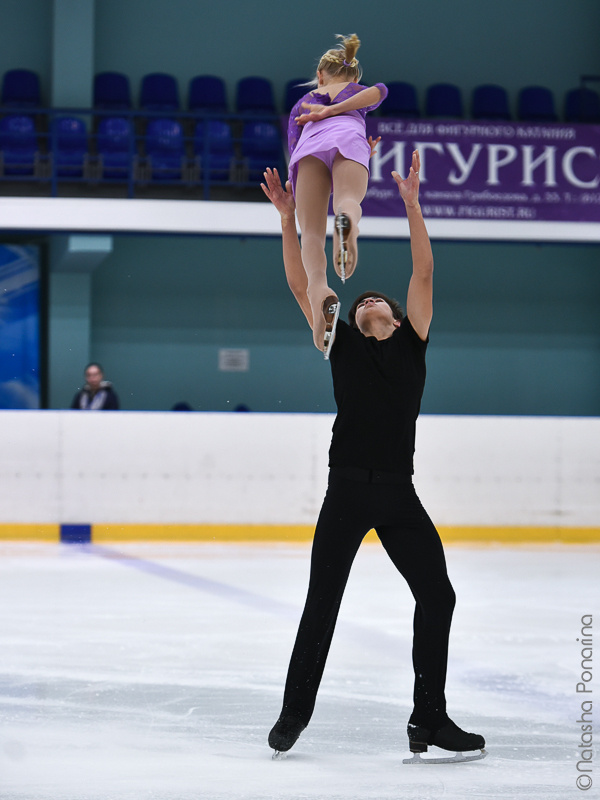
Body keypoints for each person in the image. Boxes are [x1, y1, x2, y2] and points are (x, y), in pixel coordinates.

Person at [260, 155, 486, 763]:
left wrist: (412, 204)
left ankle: (428, 718)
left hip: (397, 493)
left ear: (393, 314)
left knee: (437, 596)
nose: (365, 305)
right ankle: (292, 715)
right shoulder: (342, 347)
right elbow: (302, 285)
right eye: (357, 306)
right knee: (321, 602)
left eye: (374, 302)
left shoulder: (414, 340)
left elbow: (424, 272)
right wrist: (289, 223)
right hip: (346, 492)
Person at [286, 34, 388, 354]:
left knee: (312, 237)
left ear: (320, 75)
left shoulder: (304, 102)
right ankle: (345, 222)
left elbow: (293, 145)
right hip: (350, 138)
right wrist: (335, 112)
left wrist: (321, 113)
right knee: (347, 200)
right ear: (353, 75)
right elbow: (380, 92)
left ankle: (322, 295)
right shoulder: (357, 93)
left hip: (309, 152)